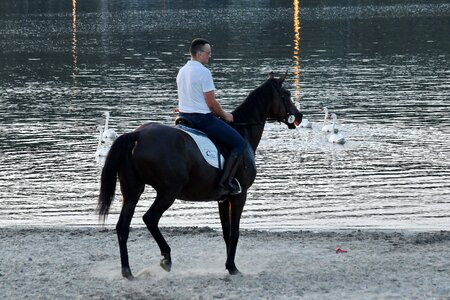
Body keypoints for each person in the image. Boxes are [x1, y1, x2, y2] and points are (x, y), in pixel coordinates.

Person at [176, 38, 247, 195]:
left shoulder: (182, 71)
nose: (210, 56)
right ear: (200, 53)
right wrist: (225, 115)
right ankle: (225, 182)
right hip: (201, 119)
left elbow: (186, 97)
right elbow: (211, 103)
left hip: (183, 117)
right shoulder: (203, 72)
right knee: (240, 144)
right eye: (208, 53)